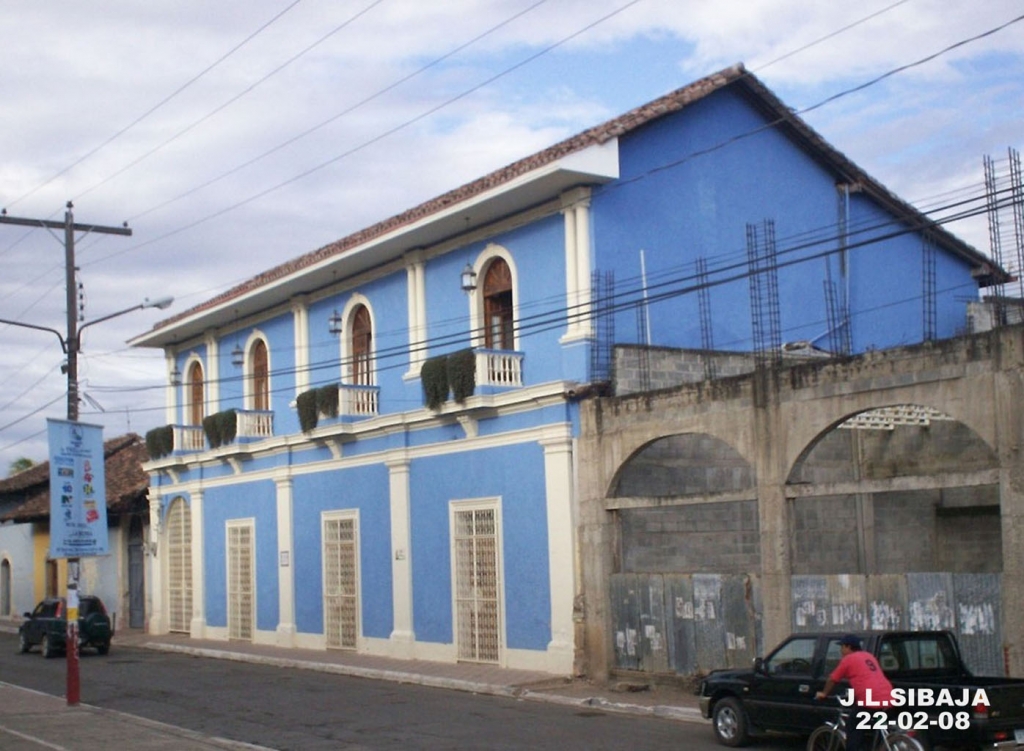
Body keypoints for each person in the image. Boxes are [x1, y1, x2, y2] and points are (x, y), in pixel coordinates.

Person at [815, 634, 894, 751]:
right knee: (877, 728)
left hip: (870, 699)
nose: (840, 650)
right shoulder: (869, 656)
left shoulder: (848, 659)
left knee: (853, 728)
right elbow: (866, 676)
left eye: (842, 647)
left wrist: (824, 693)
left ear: (848, 647)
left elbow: (833, 679)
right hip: (888, 696)